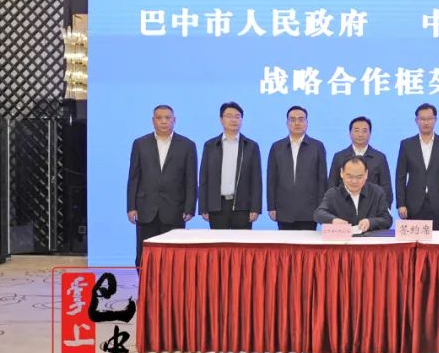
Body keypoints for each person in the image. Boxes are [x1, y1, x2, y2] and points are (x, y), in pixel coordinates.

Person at [126, 104, 198, 266]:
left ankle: (171, 284)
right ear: (153, 121)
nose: (164, 121)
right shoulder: (140, 143)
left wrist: (190, 207)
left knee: (173, 257)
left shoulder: (187, 145)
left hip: (175, 209)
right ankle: (146, 283)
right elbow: (134, 177)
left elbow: (191, 179)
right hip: (146, 209)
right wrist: (131, 206)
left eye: (167, 118)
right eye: (159, 118)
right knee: (144, 256)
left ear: (174, 120)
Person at [199, 101, 263, 229]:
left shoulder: (251, 146)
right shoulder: (210, 145)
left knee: (241, 242)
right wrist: (203, 207)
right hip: (217, 206)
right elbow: (204, 178)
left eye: (237, 116)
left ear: (241, 120)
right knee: (218, 242)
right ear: (221, 120)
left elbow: (256, 180)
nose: (233, 120)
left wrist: (255, 208)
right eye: (229, 116)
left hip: (242, 207)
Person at [395, 103, 439, 230]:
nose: (426, 122)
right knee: (413, 240)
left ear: (435, 120)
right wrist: (401, 204)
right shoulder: (406, 144)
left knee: (438, 240)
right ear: (416, 121)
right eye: (422, 119)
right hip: (412, 205)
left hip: (438, 204)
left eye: (429, 119)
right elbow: (400, 177)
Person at [267, 105, 328, 230]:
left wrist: (322, 208)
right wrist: (271, 206)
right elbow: (271, 179)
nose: (297, 123)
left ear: (307, 122)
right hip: (284, 210)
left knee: (308, 242)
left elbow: (322, 180)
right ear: (287, 123)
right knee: (285, 242)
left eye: (301, 119)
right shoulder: (277, 147)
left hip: (310, 211)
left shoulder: (317, 146)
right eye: (293, 119)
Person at [314, 155, 393, 232]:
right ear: (341, 173)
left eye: (359, 177)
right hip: (342, 239)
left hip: (369, 238)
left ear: (366, 174)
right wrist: (333, 220)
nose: (354, 181)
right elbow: (318, 214)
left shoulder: (376, 192)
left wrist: (370, 222)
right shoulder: (333, 194)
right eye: (350, 176)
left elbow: (387, 219)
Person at [327, 116, 392, 208]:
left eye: (364, 131)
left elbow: (386, 187)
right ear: (350, 133)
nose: (360, 134)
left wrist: (383, 209)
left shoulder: (379, 158)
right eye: (356, 130)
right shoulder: (339, 157)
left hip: (372, 209)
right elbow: (332, 185)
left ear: (370, 134)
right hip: (344, 208)